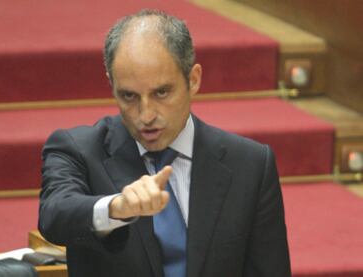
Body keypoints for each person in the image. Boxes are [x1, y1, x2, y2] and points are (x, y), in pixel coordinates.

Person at [38, 9, 291, 277]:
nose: (146, 116)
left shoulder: (250, 164)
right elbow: (55, 214)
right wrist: (116, 208)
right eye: (129, 96)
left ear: (193, 80)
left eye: (161, 92)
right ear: (111, 85)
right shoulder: (77, 150)